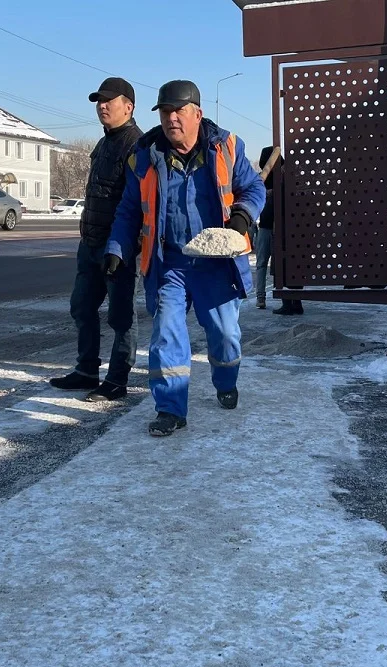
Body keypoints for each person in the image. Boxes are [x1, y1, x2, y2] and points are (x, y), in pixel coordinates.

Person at [104, 80, 266, 437]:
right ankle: (170, 408)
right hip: (170, 263)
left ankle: (226, 381)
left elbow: (255, 187)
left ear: (198, 114)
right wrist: (116, 249)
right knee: (166, 334)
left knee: (225, 334)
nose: (171, 118)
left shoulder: (226, 147)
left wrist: (242, 217)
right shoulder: (145, 156)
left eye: (179, 111)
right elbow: (129, 210)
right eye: (165, 112)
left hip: (215, 262)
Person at [49, 77, 144, 402]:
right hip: (90, 244)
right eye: (98, 101)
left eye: (109, 100)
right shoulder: (103, 143)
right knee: (81, 307)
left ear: (128, 106)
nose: (102, 106)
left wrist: (123, 246)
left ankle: (117, 380)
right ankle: (86, 370)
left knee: (120, 316)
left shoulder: (136, 145)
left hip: (118, 248)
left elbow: (136, 206)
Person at [253, 145, 278, 310]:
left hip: (269, 227)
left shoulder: (261, 180)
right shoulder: (260, 181)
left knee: (263, 264)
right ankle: (261, 297)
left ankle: (262, 297)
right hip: (268, 227)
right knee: (264, 264)